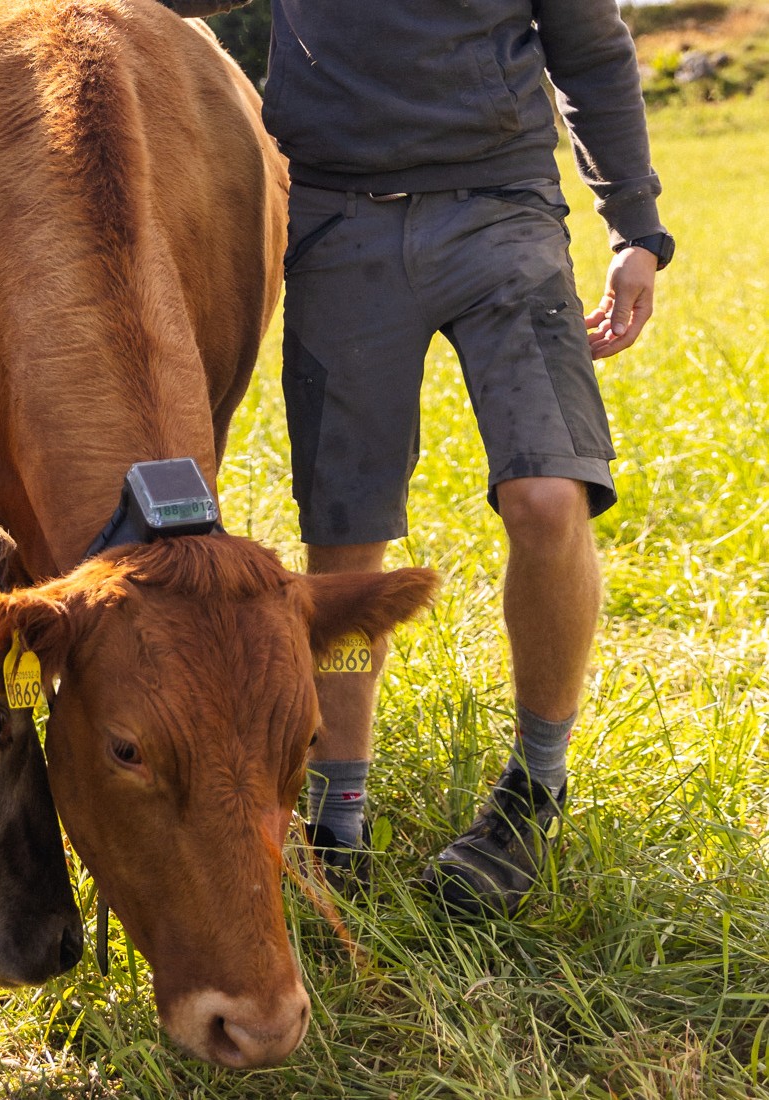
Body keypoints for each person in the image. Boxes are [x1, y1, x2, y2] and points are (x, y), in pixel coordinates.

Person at [261, 0, 673, 915]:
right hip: (339, 225)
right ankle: (336, 817)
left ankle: (533, 790)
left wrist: (635, 230)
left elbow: (592, 56)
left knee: (549, 498)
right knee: (344, 536)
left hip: (502, 214)